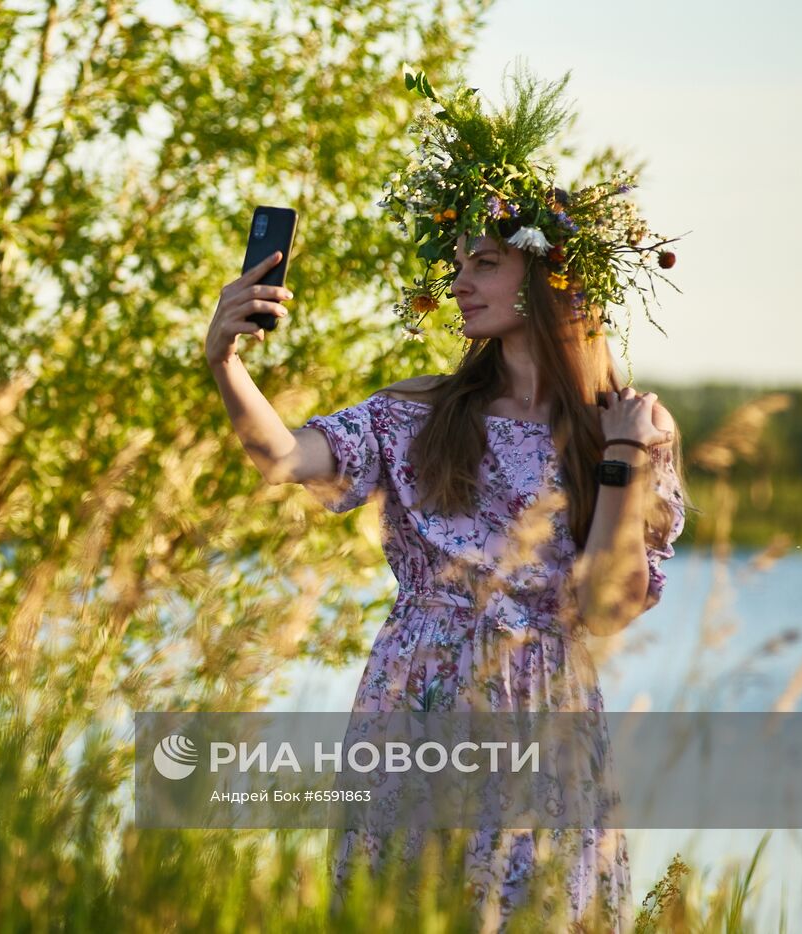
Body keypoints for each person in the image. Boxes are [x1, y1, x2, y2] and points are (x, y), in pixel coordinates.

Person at [203, 67, 689, 932]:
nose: (461, 281)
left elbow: (607, 608)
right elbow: (284, 460)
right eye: (458, 263)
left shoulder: (632, 428)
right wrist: (226, 365)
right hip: (416, 695)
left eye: (486, 263)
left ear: (550, 277)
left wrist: (620, 462)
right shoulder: (417, 413)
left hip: (544, 707)